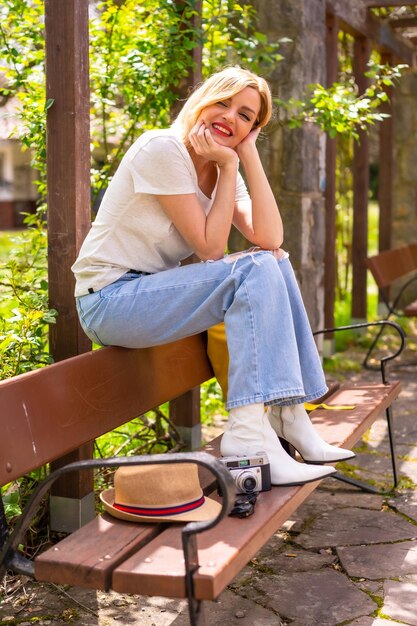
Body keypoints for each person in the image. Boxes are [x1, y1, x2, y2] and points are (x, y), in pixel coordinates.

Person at [72, 66, 354, 487]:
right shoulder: (162, 148)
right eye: (223, 102)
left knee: (273, 259)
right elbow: (210, 249)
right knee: (257, 266)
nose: (230, 117)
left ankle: (288, 415)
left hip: (149, 296)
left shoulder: (226, 163)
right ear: (202, 98)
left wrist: (246, 157)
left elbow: (271, 236)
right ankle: (247, 436)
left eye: (246, 116)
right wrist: (226, 168)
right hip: (110, 300)